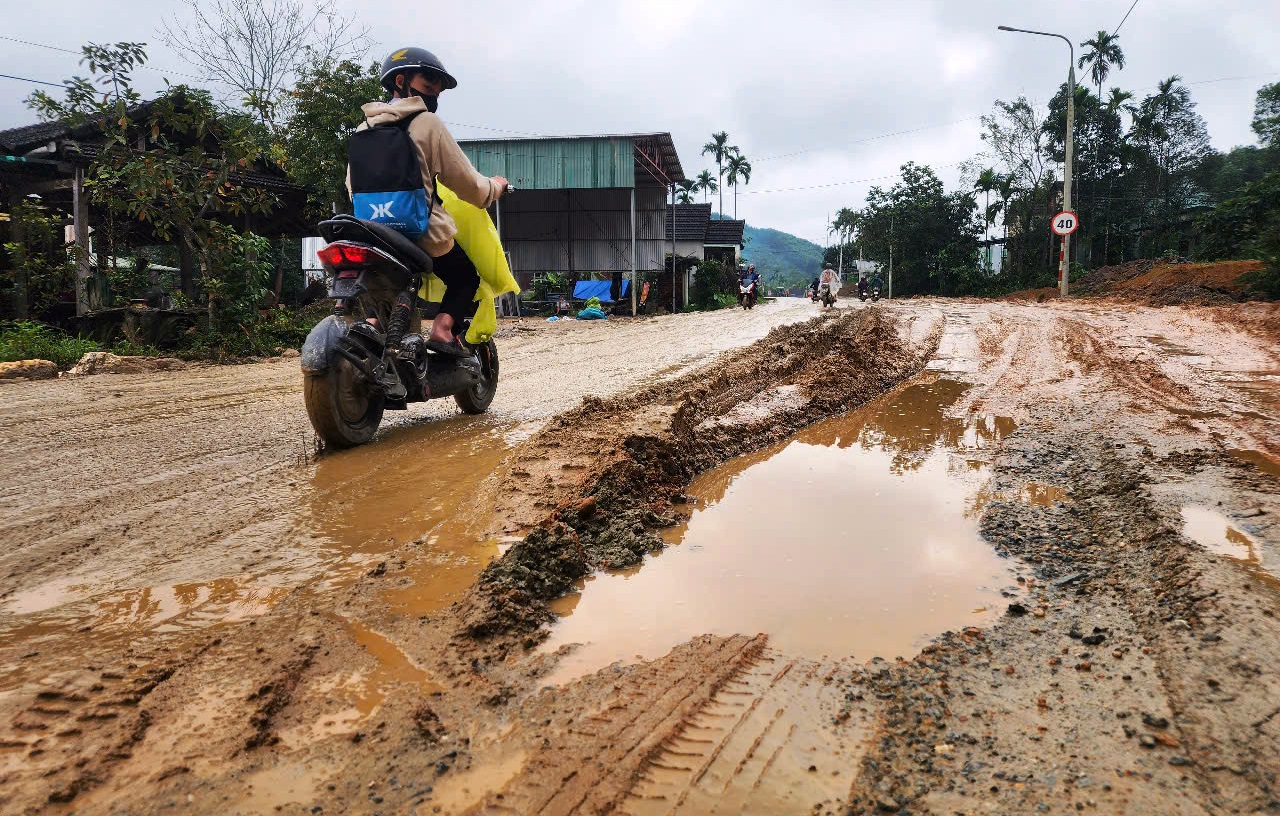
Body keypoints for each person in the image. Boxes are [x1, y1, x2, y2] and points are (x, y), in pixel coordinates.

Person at [352, 47, 509, 357]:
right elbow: (470, 186)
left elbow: (352, 187)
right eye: (429, 84)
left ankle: (372, 324)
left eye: (438, 88)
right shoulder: (427, 124)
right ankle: (442, 329)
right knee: (464, 277)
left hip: (371, 231)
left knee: (379, 282)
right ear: (401, 80)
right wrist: (496, 187)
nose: (435, 93)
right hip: (420, 231)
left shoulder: (363, 129)